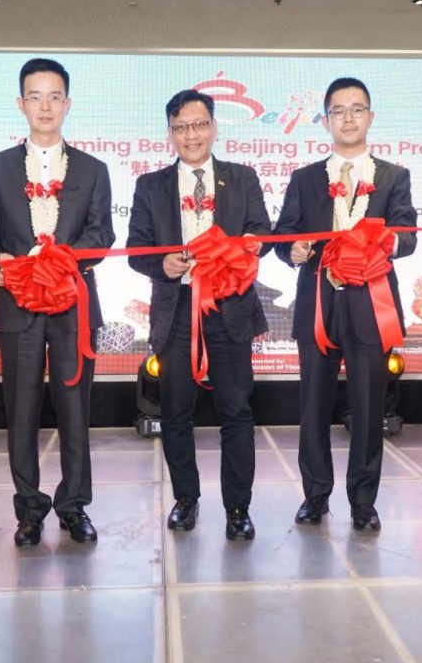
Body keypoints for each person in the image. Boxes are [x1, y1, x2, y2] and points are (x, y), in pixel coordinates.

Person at [0, 58, 114, 547]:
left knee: (75, 408)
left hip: (74, 305)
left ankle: (74, 505)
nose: (45, 106)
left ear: (67, 104)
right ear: (21, 104)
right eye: (36, 96)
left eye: (55, 97)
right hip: (18, 304)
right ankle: (29, 509)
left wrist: (61, 261)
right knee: (22, 409)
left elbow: (102, 234)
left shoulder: (94, 169)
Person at [274, 78, 417, 533]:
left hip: (371, 304)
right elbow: (284, 234)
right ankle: (315, 496)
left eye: (357, 109)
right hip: (318, 303)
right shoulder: (304, 179)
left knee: (369, 409)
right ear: (326, 120)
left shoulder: (394, 176)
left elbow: (408, 235)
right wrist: (292, 250)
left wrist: (384, 243)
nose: (349, 118)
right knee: (313, 406)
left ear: (370, 117)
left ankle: (363, 502)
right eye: (339, 111)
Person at [127, 89, 271, 540]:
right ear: (170, 133)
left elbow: (261, 233)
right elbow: (136, 250)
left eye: (199, 124)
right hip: (176, 310)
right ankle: (185, 500)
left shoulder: (242, 178)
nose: (191, 135)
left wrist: (241, 252)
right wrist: (162, 264)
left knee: (236, 411)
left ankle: (238, 508)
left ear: (214, 127)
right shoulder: (150, 186)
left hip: (230, 308)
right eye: (181, 127)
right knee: (175, 413)